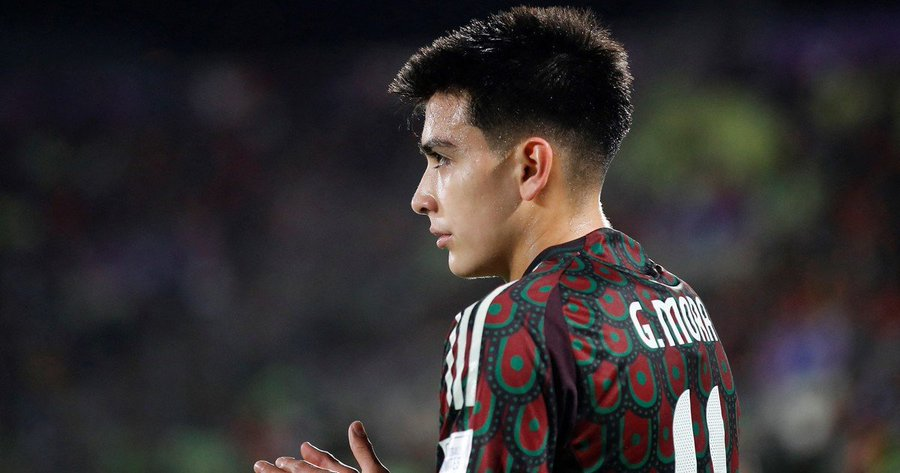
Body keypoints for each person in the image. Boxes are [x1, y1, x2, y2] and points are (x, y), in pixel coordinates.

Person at [254, 6, 739, 473]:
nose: (421, 197)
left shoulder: (515, 322)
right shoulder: (681, 303)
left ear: (530, 167)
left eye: (443, 159)